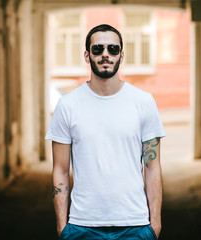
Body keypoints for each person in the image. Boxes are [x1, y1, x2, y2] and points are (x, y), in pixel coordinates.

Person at [45, 24, 166, 240]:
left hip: (135, 225)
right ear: (87, 55)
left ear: (121, 55)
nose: (105, 55)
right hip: (82, 226)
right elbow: (60, 170)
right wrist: (63, 227)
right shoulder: (68, 105)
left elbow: (152, 167)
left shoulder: (143, 102)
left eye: (112, 49)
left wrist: (154, 225)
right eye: (98, 49)